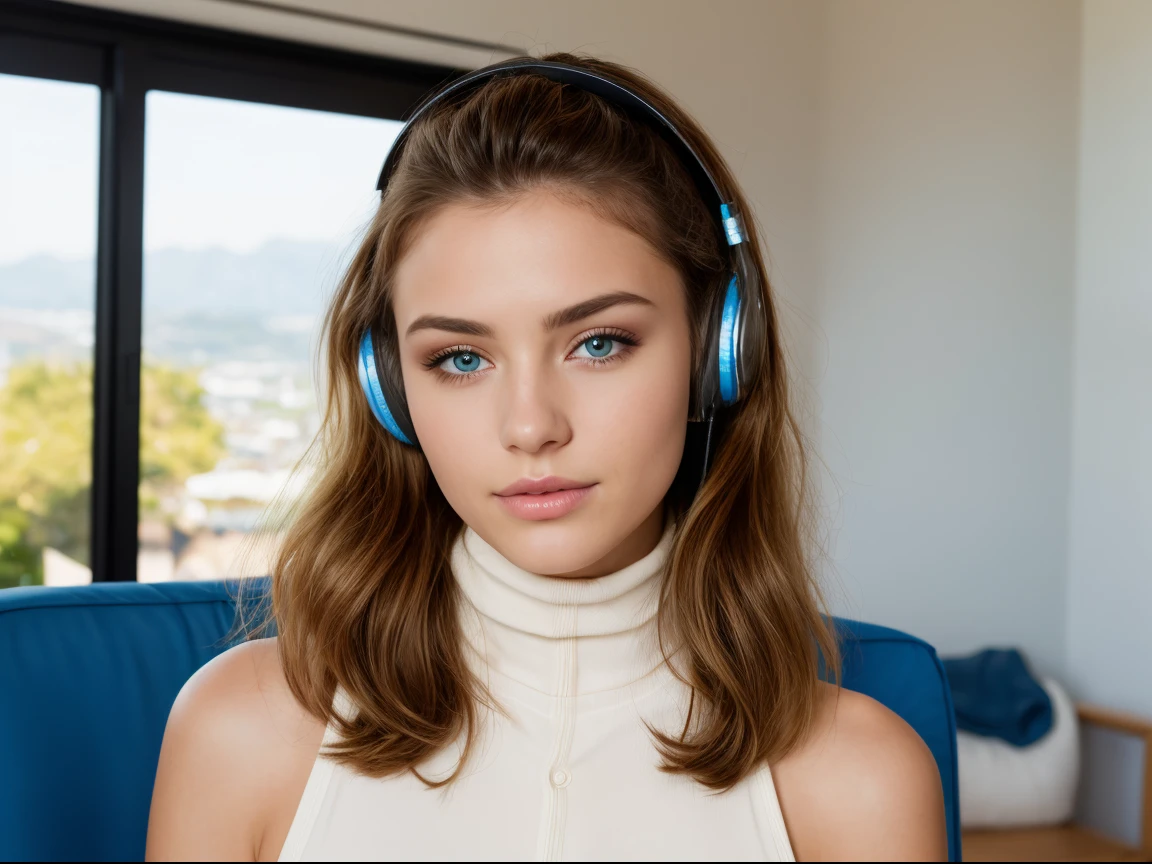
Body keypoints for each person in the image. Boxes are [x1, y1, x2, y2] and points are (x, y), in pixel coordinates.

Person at [145, 52, 947, 862]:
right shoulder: (238, 733)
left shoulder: (862, 783)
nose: (530, 427)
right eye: (460, 358)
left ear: (717, 353)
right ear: (390, 389)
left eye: (599, 343)